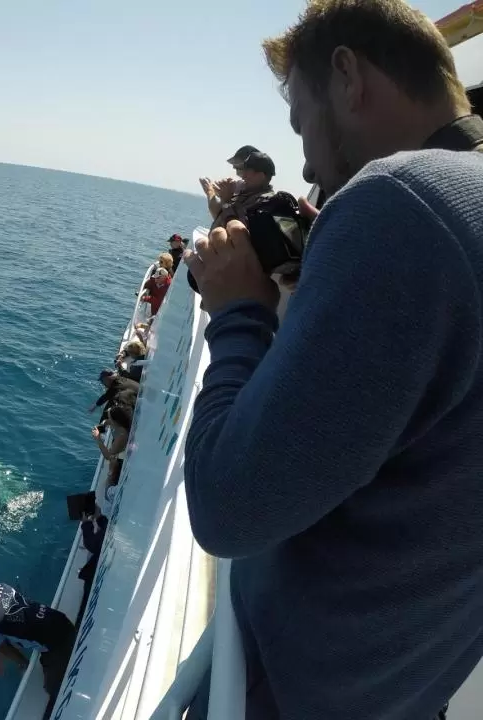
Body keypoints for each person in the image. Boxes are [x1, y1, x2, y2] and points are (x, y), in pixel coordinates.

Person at [182, 1, 483, 719]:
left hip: (295, 687)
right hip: (407, 690)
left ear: (348, 76)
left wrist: (239, 313)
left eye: (301, 126)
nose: (310, 162)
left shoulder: (403, 200)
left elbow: (226, 506)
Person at [0, 564, 76, 720]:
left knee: (52, 690)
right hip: (61, 620)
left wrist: (23, 663)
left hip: (54, 644)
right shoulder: (4, 586)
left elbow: (4, 648)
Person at [200, 145, 259, 221]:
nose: (238, 173)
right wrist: (219, 188)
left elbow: (220, 218)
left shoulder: (258, 200)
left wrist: (210, 192)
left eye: (239, 168)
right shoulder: (241, 186)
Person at [75, 502, 109, 628]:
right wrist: (99, 517)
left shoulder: (99, 538)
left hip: (97, 571)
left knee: (86, 602)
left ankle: (80, 626)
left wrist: (86, 523)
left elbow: (93, 544)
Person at [92, 403, 132, 487]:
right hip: (121, 448)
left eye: (110, 418)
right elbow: (108, 421)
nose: (108, 419)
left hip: (120, 460)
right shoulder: (122, 423)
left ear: (116, 422)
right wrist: (104, 423)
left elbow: (108, 456)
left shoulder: (121, 436)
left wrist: (98, 438)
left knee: (112, 465)